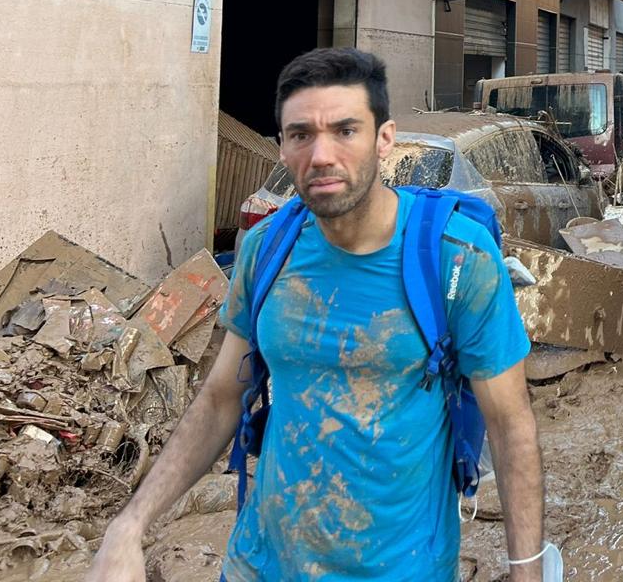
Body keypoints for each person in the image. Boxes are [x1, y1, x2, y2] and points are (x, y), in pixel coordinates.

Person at [86, 48, 546, 582]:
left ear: (384, 139)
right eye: (301, 134)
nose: (321, 154)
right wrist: (129, 526)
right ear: (281, 147)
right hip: (258, 564)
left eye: (345, 130)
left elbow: (510, 425)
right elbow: (219, 400)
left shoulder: (456, 257)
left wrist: (527, 571)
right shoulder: (266, 249)